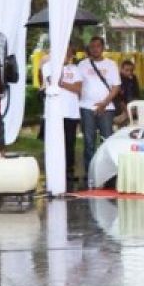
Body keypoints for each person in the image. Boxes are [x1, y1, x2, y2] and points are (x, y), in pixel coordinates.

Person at [77, 36, 120, 173]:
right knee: (89, 142)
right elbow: (78, 85)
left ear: (103, 48)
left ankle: (107, 173)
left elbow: (116, 87)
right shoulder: (82, 65)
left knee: (106, 141)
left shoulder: (111, 64)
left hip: (107, 108)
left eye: (98, 46)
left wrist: (104, 103)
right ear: (89, 49)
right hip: (86, 107)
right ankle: (90, 173)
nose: (95, 49)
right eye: (92, 46)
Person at [41, 44, 82, 187]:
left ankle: (69, 170)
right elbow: (52, 82)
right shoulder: (48, 66)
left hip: (70, 112)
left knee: (70, 142)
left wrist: (63, 83)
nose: (67, 56)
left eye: (69, 53)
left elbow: (78, 88)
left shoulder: (75, 69)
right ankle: (53, 169)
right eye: (65, 53)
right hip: (54, 113)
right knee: (54, 142)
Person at [113, 59, 142, 126]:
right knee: (120, 121)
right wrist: (127, 111)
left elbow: (136, 94)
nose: (129, 72)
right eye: (127, 70)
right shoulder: (117, 78)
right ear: (121, 69)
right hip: (119, 107)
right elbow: (118, 98)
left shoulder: (133, 78)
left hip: (130, 105)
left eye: (131, 70)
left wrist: (134, 107)